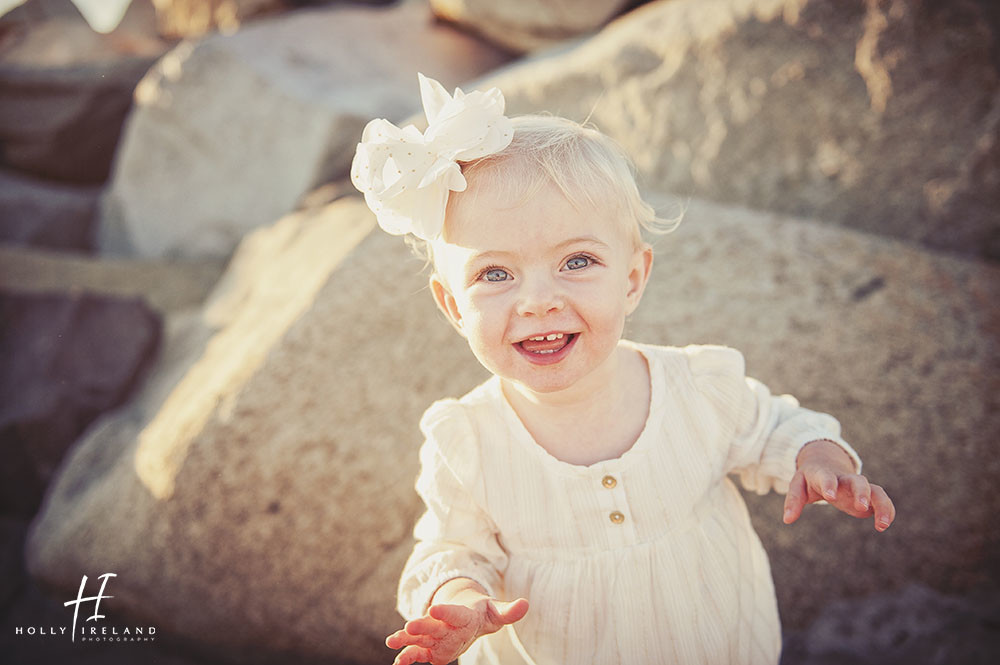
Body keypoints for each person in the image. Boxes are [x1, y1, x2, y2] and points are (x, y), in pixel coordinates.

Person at [351, 73, 896, 665]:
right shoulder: (469, 442)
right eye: (495, 274)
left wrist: (818, 458)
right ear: (453, 306)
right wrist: (459, 598)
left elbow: (774, 426)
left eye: (576, 261)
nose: (538, 301)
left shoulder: (697, 390)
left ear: (632, 278)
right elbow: (452, 548)